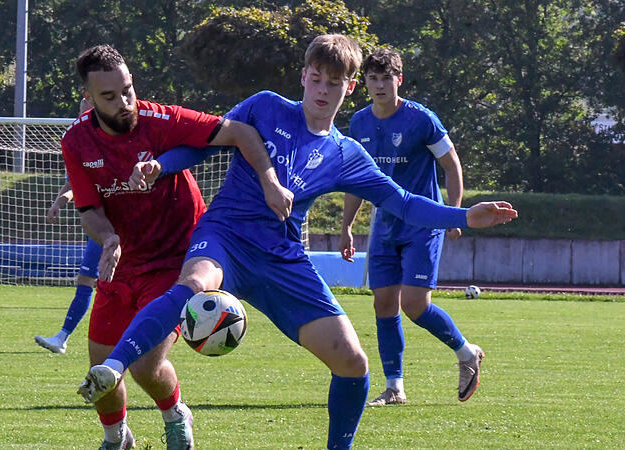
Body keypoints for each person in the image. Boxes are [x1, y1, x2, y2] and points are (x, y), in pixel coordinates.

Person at [77, 34, 517, 449]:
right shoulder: (266, 107)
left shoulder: (346, 154)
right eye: (317, 78)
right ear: (304, 75)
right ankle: (112, 368)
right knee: (194, 284)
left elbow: (402, 202)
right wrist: (163, 165)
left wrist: (464, 215)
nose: (323, 89)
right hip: (225, 234)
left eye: (335, 82)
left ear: (349, 87)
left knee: (353, 363)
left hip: (282, 260)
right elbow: (204, 143)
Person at [60, 44, 292, 450]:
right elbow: (89, 210)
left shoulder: (161, 119)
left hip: (177, 260)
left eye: (128, 89)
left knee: (146, 365)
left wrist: (270, 183)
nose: (124, 102)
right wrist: (109, 238)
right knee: (100, 367)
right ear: (88, 99)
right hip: (124, 263)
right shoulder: (76, 141)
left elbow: (240, 132)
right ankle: (117, 438)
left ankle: (174, 414)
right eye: (110, 97)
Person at [339, 48, 479, 407]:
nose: (380, 85)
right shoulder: (359, 124)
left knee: (415, 305)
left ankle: (466, 353)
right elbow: (356, 180)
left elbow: (452, 166)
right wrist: (347, 225)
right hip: (384, 225)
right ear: (364, 83)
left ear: (399, 80)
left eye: (387, 78)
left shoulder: (421, 119)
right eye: (373, 78)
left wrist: (454, 213)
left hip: (423, 224)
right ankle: (395, 387)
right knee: (384, 304)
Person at [34, 97, 102, 356]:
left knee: (107, 282)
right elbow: (73, 184)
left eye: (88, 105)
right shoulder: (80, 143)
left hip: (118, 223)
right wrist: (57, 203)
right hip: (100, 224)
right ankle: (62, 337)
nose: (82, 108)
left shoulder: (108, 140)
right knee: (87, 279)